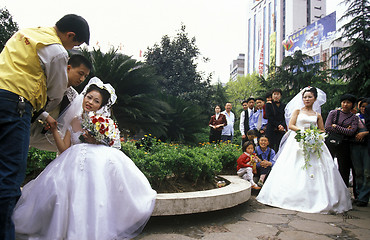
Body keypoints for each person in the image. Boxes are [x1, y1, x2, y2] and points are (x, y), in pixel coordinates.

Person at [12, 77, 157, 239]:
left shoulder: (105, 123)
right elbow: (65, 149)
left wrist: (98, 139)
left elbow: (113, 144)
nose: (90, 102)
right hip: (72, 161)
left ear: (101, 106)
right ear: (84, 96)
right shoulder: (74, 121)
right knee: (57, 187)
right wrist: (54, 130)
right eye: (89, 97)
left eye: (96, 101)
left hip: (98, 162)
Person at [0, 14, 90, 239]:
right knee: (10, 178)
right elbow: (55, 92)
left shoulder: (25, 34)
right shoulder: (57, 51)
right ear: (70, 35)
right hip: (16, 107)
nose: (71, 48)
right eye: (75, 44)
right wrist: (43, 112)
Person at [257, 87, 352, 214]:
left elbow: (322, 130)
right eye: (305, 97)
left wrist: (313, 134)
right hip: (297, 141)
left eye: (310, 97)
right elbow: (291, 125)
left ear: (315, 99)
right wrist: (303, 132)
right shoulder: (297, 111)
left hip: (313, 143)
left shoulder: (317, 115)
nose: (307, 99)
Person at [30, 54, 92, 152]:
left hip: (44, 134)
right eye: (80, 73)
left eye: (85, 76)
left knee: (73, 145)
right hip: (25, 122)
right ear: (68, 68)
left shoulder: (74, 96)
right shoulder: (48, 82)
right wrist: (46, 117)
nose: (82, 79)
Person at [325, 94, 359, 198]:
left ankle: (342, 193)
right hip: (331, 142)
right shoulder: (333, 113)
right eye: (344, 102)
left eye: (348, 102)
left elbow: (351, 132)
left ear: (352, 105)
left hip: (344, 144)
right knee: (327, 164)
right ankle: (327, 189)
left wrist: (337, 127)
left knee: (344, 168)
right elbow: (328, 127)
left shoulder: (354, 118)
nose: (345, 104)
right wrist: (345, 129)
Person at [350, 98, 370, 207]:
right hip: (356, 146)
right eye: (362, 106)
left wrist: (365, 133)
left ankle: (364, 197)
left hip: (367, 146)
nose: (364, 109)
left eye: (366, 106)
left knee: (367, 172)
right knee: (357, 172)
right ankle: (357, 195)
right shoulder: (355, 117)